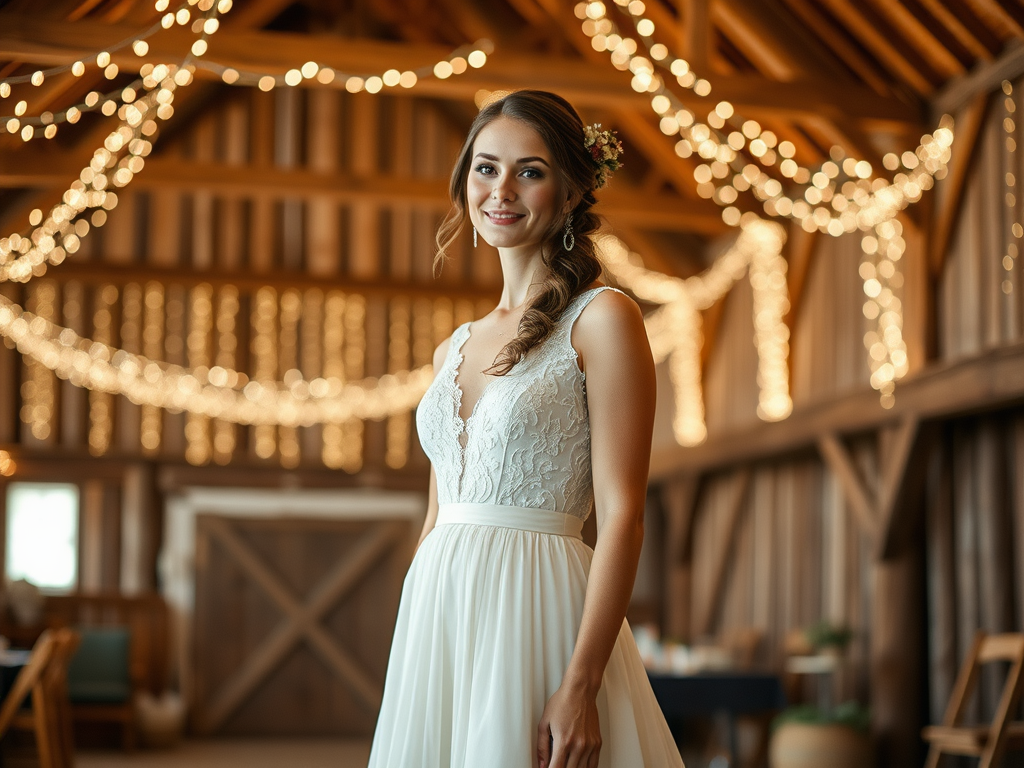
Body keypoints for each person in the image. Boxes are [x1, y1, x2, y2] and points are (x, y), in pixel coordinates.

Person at [366, 90, 684, 768]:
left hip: (537, 611)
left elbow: (624, 516)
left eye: (530, 171)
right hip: (440, 616)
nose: (501, 189)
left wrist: (580, 683)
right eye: (485, 168)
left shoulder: (604, 319)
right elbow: (437, 516)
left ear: (570, 192)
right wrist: (416, 639)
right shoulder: (451, 347)